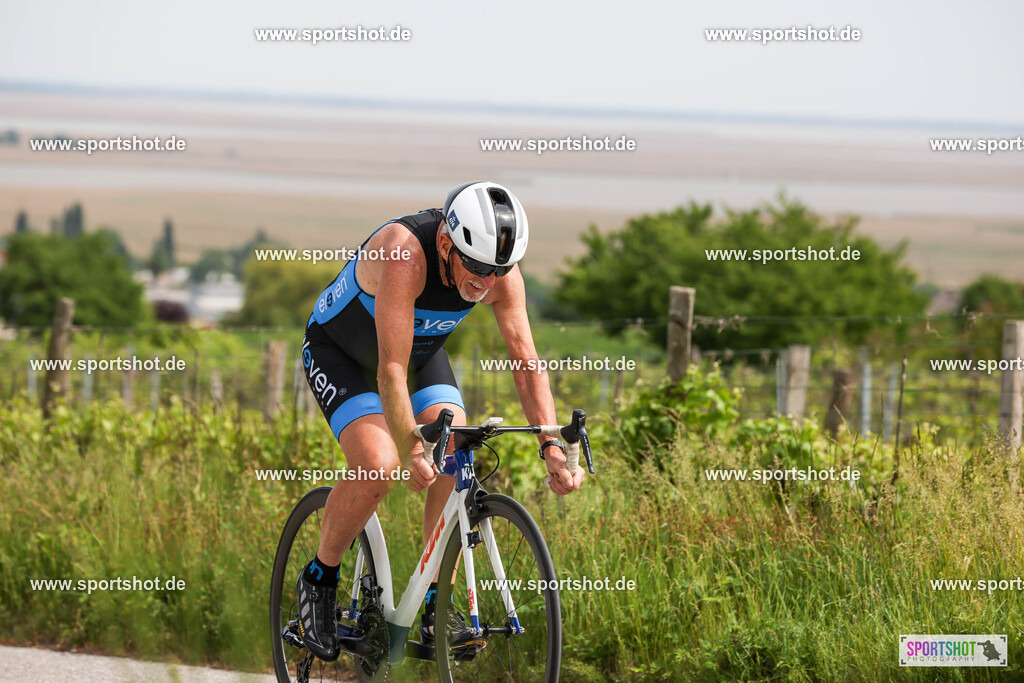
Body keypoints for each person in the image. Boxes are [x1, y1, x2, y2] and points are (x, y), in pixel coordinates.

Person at [294, 181, 585, 661]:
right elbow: (389, 368)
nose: (485, 282)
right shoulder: (404, 255)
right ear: (447, 244)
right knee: (379, 464)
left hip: (419, 353)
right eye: (476, 268)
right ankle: (319, 579)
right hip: (342, 352)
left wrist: (550, 445)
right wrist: (409, 447)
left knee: (455, 452)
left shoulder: (499, 273)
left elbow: (526, 360)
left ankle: (436, 600)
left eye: (498, 270)